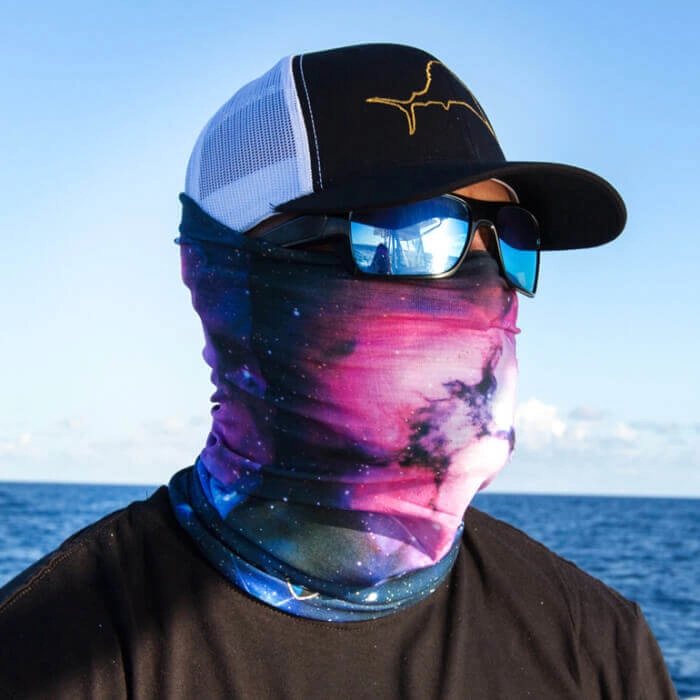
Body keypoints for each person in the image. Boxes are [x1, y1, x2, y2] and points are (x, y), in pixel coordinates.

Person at [0, 43, 677, 698]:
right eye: (412, 230)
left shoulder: (598, 646)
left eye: (509, 236)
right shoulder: (49, 654)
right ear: (230, 276)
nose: (484, 284)